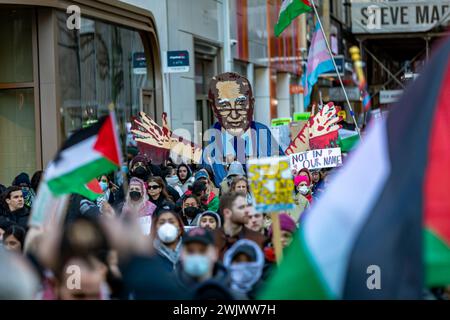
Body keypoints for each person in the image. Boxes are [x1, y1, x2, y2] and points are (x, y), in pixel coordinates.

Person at [176, 228, 230, 294]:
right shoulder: (166, 292)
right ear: (181, 254)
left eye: (202, 251)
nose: (196, 257)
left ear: (215, 253)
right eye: (190, 251)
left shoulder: (230, 295)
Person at [216, 192, 266, 260]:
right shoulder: (212, 239)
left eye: (246, 206)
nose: (247, 211)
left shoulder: (258, 239)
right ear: (227, 213)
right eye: (241, 207)